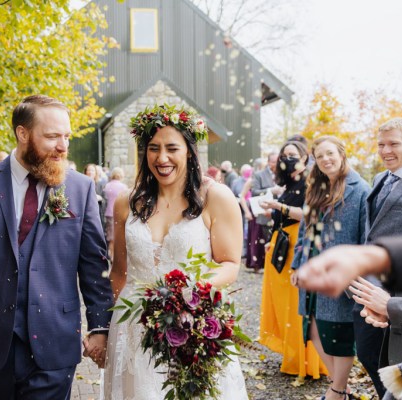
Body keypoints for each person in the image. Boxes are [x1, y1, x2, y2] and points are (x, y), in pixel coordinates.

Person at [0, 94, 113, 399]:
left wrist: (99, 326)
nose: (63, 146)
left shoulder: (80, 189)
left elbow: (93, 266)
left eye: (67, 136)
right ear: (23, 133)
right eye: (52, 136)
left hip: (55, 342)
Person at [103, 105, 248, 399]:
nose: (162, 158)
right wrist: (114, 333)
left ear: (189, 152)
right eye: (153, 148)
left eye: (172, 148)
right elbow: (119, 272)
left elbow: (230, 264)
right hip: (133, 327)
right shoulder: (125, 202)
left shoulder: (215, 197)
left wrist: (186, 295)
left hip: (190, 322)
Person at [290, 136, 370, 400]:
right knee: (312, 331)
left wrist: (356, 273)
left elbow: (366, 236)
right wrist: (297, 266)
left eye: (330, 154)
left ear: (342, 153)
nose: (326, 159)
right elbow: (304, 231)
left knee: (339, 334)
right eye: (320, 156)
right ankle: (341, 386)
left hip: (340, 274)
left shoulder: (360, 190)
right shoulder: (317, 187)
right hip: (313, 269)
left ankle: (336, 391)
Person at [353, 117, 402, 397]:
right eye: (381, 144)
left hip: (401, 295)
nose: (385, 151)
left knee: (399, 362)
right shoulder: (380, 178)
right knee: (370, 356)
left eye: (394, 144)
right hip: (369, 287)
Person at [258, 141, 328, 380]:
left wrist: (278, 205)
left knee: (296, 304)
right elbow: (284, 216)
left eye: (292, 155)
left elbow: (309, 214)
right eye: (284, 155)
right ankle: (292, 354)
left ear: (305, 158)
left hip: (298, 244)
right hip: (281, 244)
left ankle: (306, 361)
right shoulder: (289, 183)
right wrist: (273, 235)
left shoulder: (311, 182)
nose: (287, 159)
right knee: (283, 304)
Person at [102, 167, 128, 259]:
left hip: (109, 213)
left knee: (110, 236)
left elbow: (104, 199)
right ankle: (116, 256)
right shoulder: (123, 187)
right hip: (120, 214)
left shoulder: (107, 186)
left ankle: (110, 255)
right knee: (119, 236)